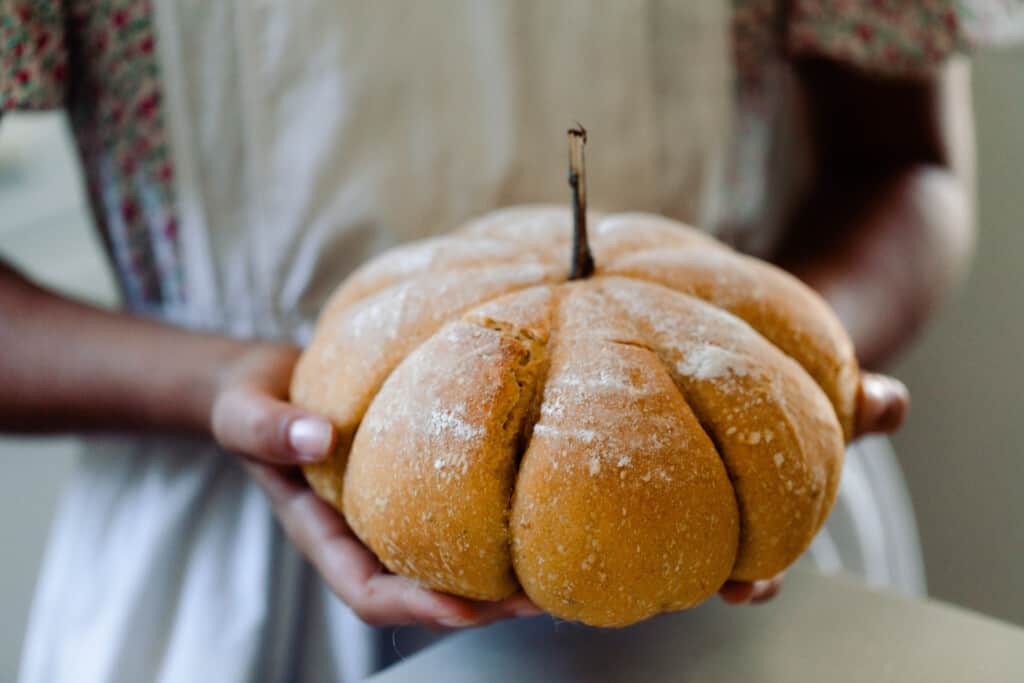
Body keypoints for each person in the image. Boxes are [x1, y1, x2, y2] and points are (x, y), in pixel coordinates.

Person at [2, 2, 1018, 681]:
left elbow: (903, 162)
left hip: (735, 539)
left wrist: (795, 366)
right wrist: (223, 383)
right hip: (231, 576)